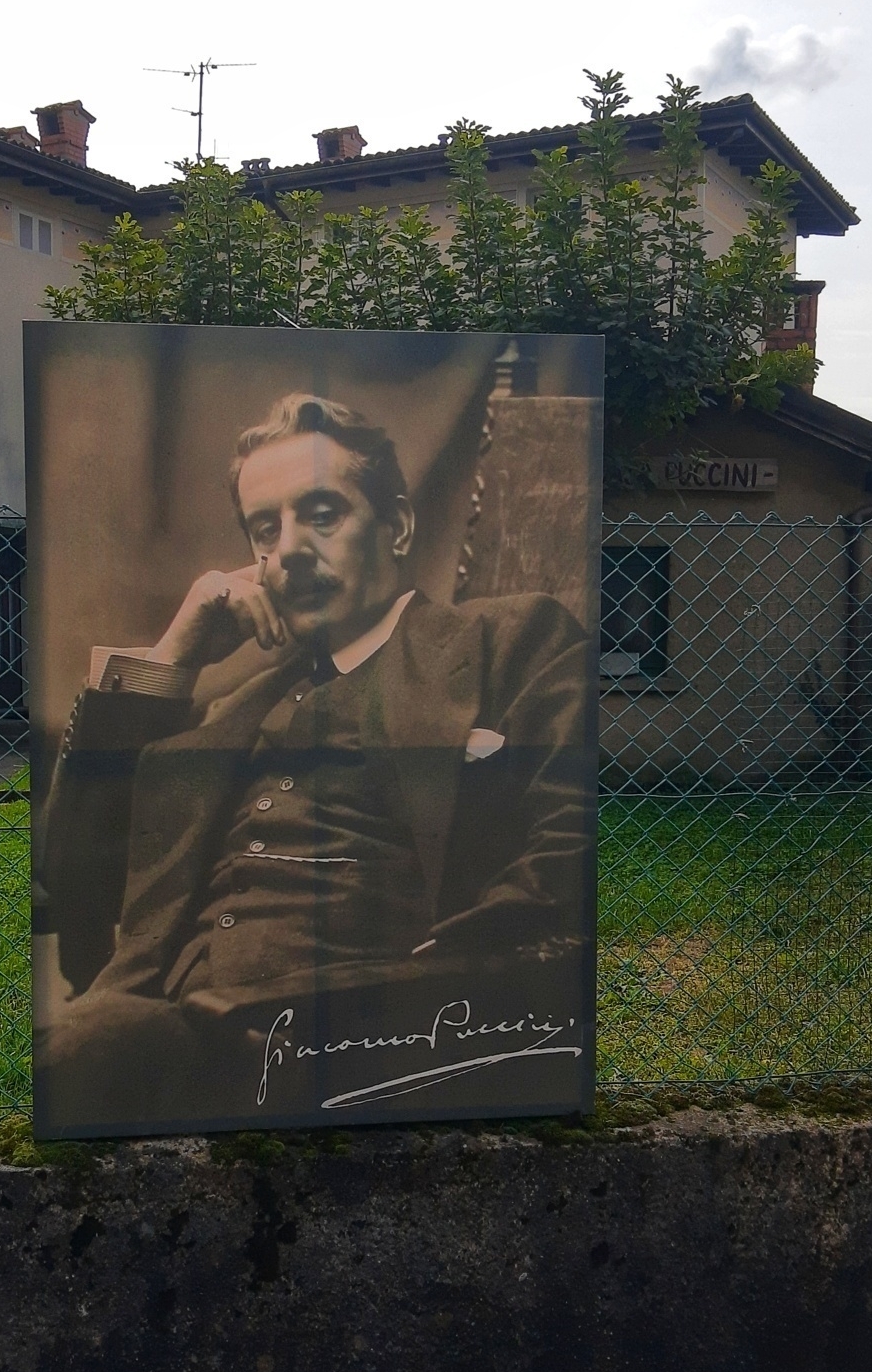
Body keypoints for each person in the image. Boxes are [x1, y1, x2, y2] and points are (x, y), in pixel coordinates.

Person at [35, 392, 593, 1135]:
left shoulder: (510, 641)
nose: (290, 549)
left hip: (366, 1035)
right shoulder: (230, 709)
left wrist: (431, 989)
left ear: (395, 526)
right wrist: (174, 658)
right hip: (164, 1026)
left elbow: (569, 855)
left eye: (322, 515)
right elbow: (67, 873)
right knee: (69, 1064)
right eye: (265, 530)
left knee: (71, 1068)